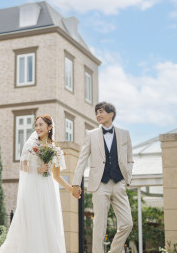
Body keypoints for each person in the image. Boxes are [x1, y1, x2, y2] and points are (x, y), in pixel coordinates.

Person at [0, 114, 72, 253]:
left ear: (50, 127)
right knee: (34, 221)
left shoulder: (55, 149)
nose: (37, 128)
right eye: (36, 125)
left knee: (48, 222)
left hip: (48, 189)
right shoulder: (31, 145)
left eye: (41, 125)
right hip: (33, 189)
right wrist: (38, 169)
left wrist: (70, 189)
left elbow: (56, 176)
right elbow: (22, 166)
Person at [72, 102, 134, 253]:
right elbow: (82, 159)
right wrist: (75, 183)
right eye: (96, 112)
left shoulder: (124, 133)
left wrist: (128, 178)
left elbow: (130, 159)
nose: (98, 115)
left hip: (119, 183)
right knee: (100, 225)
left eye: (101, 112)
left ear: (111, 114)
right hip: (100, 184)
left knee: (127, 223)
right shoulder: (91, 135)